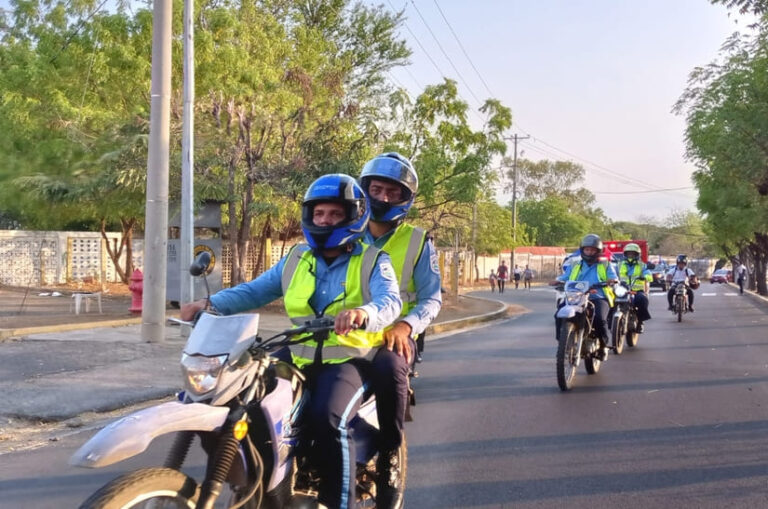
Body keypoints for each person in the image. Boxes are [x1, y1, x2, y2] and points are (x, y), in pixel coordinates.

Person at [181, 174, 402, 509]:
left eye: (335, 214)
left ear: (354, 217)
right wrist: (209, 304)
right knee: (246, 400)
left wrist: (363, 313)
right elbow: (255, 291)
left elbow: (390, 302)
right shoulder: (297, 258)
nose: (325, 220)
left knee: (329, 418)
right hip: (297, 354)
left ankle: (339, 502)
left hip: (349, 358)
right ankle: (269, 484)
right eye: (319, 213)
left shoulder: (373, 260)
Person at [359, 152, 442, 508]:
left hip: (393, 335)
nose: (383, 198)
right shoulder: (345, 230)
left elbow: (432, 297)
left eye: (393, 192)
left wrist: (407, 325)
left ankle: (390, 452)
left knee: (390, 372)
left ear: (405, 199)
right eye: (376, 189)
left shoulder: (418, 241)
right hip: (345, 332)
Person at [550, 234, 617, 360]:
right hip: (576, 296)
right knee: (559, 314)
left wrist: (611, 280)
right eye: (587, 249)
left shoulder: (605, 264)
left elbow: (613, 277)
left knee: (599, 319)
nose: (589, 252)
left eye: (592, 250)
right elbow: (566, 276)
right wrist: (557, 280)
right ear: (582, 250)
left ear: (598, 251)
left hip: (598, 296)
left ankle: (603, 345)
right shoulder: (575, 264)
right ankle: (563, 343)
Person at [617, 243, 653, 333]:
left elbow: (649, 275)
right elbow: (612, 274)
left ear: (637, 255)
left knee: (643, 300)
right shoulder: (619, 264)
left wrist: (645, 276)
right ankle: (611, 321)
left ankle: (640, 322)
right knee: (610, 300)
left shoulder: (642, 265)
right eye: (629, 254)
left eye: (633, 254)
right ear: (625, 254)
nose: (630, 256)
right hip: (622, 290)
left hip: (636, 291)